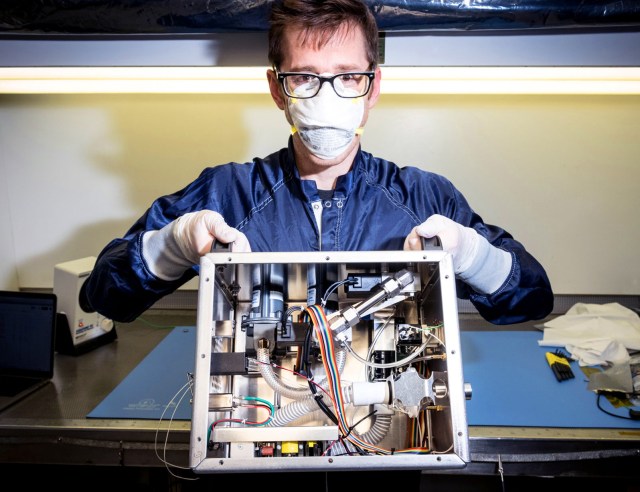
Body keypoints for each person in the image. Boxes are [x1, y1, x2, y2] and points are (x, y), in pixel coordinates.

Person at [80, 0, 553, 325]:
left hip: (384, 447)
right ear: (275, 89)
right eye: (305, 77)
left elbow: (532, 297)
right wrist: (173, 245)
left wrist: (471, 255)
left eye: (348, 76)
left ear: (373, 88)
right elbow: (103, 296)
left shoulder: (423, 198)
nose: (327, 96)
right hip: (259, 442)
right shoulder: (227, 194)